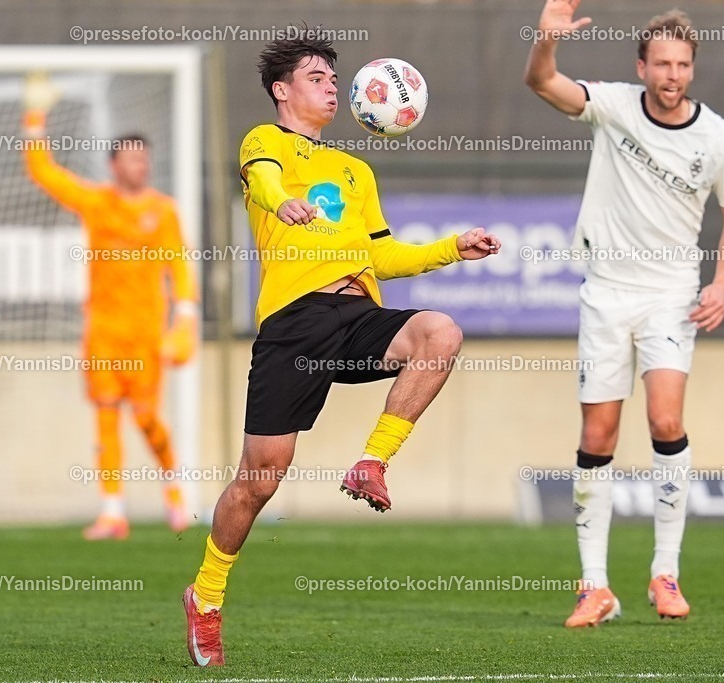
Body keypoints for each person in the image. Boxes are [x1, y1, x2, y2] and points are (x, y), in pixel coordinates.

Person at [182, 34, 501, 666]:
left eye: (334, 75)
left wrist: (449, 248)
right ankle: (207, 595)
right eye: (316, 75)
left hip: (356, 313)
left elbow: (382, 254)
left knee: (441, 332)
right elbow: (267, 183)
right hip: (294, 326)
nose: (331, 83)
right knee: (259, 479)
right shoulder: (263, 142)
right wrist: (283, 201)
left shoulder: (357, 171)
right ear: (283, 89)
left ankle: (372, 464)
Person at [524, 1, 724, 626]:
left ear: (692, 70)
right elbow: (542, 82)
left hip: (672, 295)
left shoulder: (719, 137)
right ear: (641, 66)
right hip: (606, 291)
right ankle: (594, 586)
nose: (671, 74)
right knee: (597, 436)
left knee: (665, 417)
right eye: (661, 63)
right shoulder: (614, 106)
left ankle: (665, 573)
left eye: (682, 64)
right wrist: (545, 42)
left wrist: (722, 283)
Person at [22, 73, 199, 540]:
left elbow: (179, 266)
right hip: (102, 329)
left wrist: (184, 319)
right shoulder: (97, 203)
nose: (141, 166)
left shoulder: (163, 212)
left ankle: (174, 491)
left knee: (146, 419)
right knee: (105, 414)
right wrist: (35, 118)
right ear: (114, 164)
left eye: (146, 159)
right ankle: (112, 511)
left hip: (145, 332)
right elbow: (44, 173)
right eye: (133, 159)